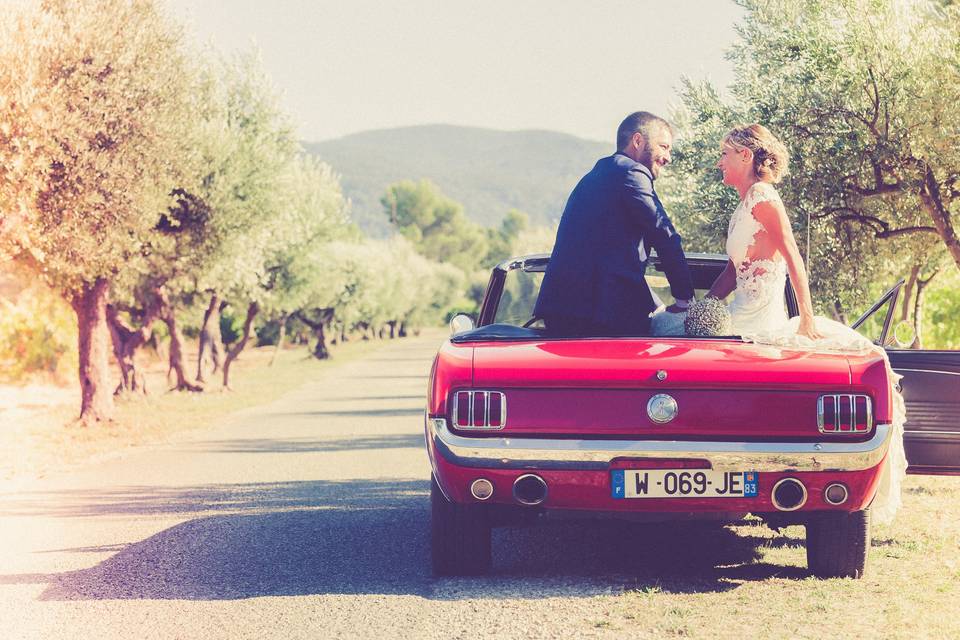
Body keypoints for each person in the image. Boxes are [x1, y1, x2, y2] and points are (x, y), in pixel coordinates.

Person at [706, 123, 907, 524]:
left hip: (762, 318)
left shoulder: (763, 196)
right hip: (738, 314)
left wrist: (808, 320)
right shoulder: (743, 203)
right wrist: (703, 307)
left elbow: (793, 257)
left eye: (725, 154)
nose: (719, 162)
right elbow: (734, 269)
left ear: (746, 156)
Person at [534, 111, 694, 336]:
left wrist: (654, 303)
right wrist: (685, 301)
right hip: (601, 315)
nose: (668, 157)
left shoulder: (599, 174)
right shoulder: (632, 172)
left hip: (564, 310)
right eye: (664, 147)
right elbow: (663, 234)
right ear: (638, 141)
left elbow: (608, 254)